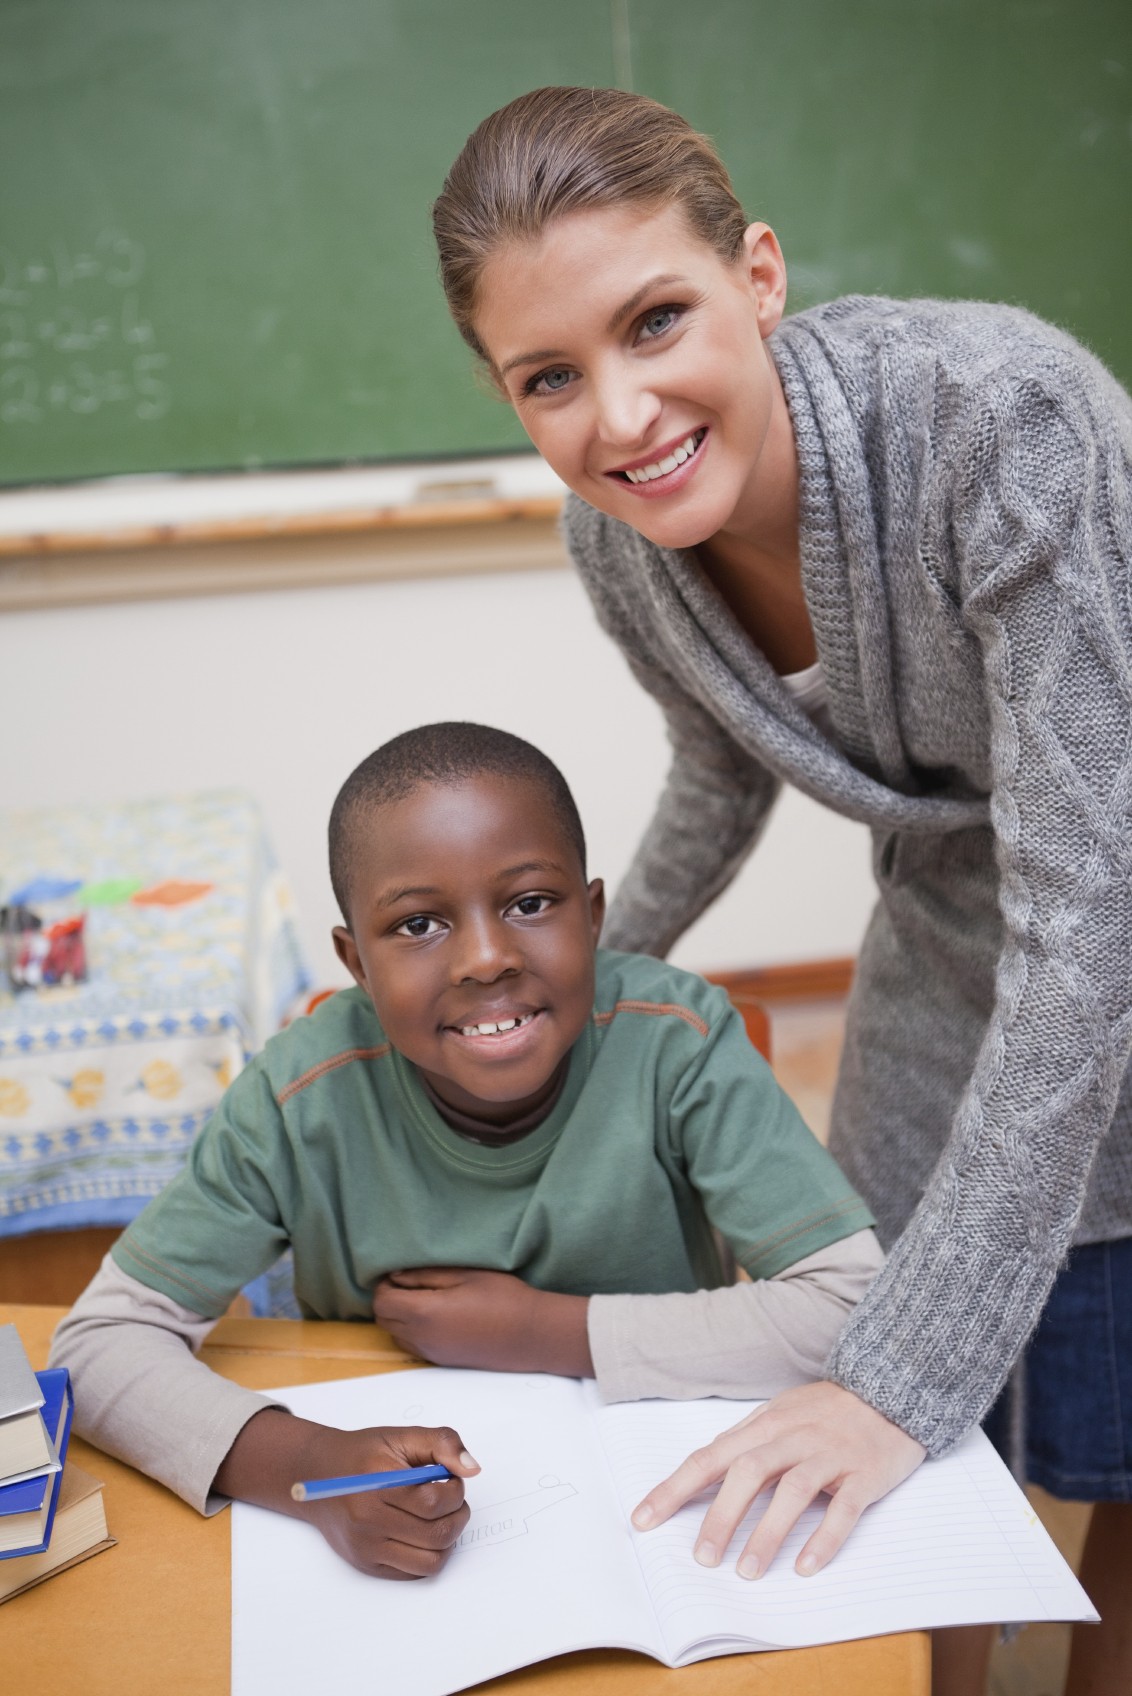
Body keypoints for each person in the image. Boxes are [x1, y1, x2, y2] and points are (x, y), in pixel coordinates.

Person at [431, 87, 1132, 1692]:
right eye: (551, 377)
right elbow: (722, 765)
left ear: (759, 274)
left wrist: (900, 1378)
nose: (619, 417)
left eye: (656, 319)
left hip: (1115, 908)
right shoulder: (618, 543)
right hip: (959, 928)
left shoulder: (1000, 423)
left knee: (1100, 1424)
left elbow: (1093, 923)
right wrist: (567, 980)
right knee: (899, 1414)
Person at [50, 721, 880, 1581]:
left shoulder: (679, 1044)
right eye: (417, 924)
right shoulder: (299, 1100)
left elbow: (853, 1308)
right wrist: (307, 1466)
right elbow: (99, 1343)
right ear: (356, 964)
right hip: (382, 1526)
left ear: (592, 918)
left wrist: (546, 1332)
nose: (486, 958)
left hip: (660, 1507)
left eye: (530, 904)